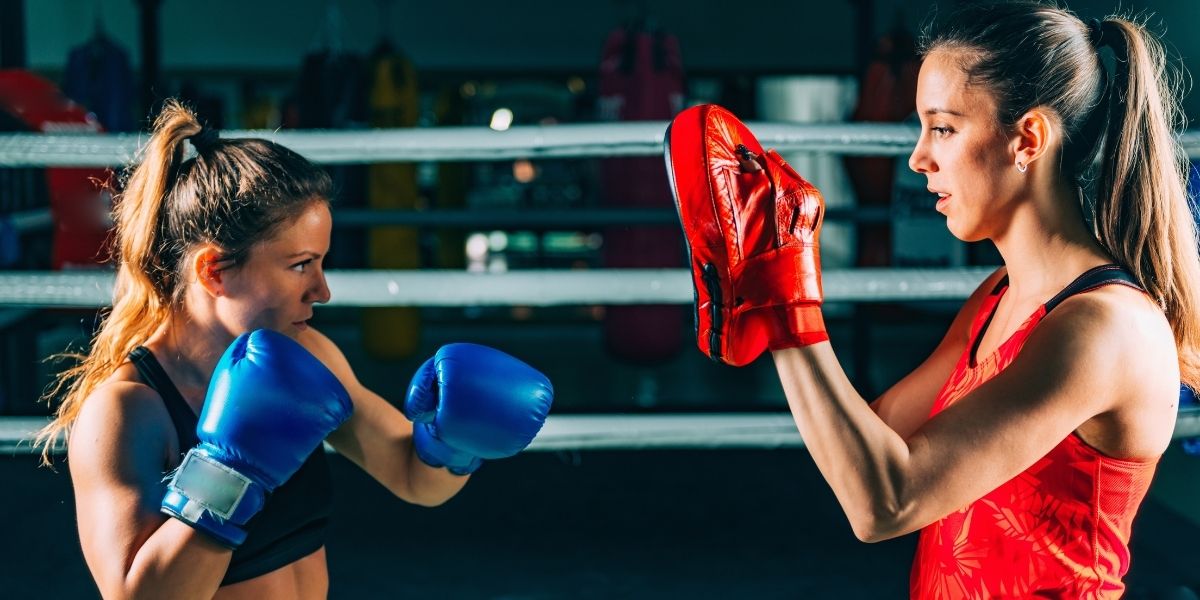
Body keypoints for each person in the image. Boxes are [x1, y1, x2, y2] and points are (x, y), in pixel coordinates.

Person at [667, 1, 1198, 597]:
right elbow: (870, 441)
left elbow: (887, 502)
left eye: (942, 128)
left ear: (1027, 139)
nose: (919, 158)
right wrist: (764, 290)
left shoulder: (1104, 328)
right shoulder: (998, 295)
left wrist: (787, 296)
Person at [35, 99, 554, 599]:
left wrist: (451, 442)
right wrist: (228, 473)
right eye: (301, 264)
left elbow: (413, 478)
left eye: (322, 263)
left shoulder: (311, 355)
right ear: (214, 271)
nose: (322, 291)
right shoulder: (126, 409)